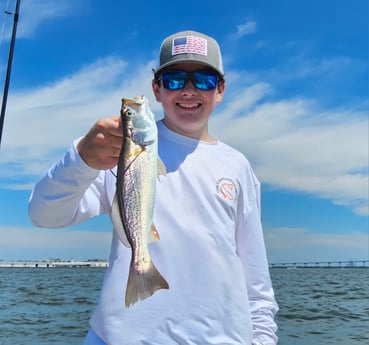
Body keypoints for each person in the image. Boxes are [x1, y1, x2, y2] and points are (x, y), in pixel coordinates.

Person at [28, 30, 278, 345]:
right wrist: (81, 159)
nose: (188, 90)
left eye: (202, 79)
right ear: (156, 90)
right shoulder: (115, 153)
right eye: (174, 80)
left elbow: (255, 278)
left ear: (221, 90)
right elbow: (44, 214)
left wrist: (263, 339)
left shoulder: (238, 166)